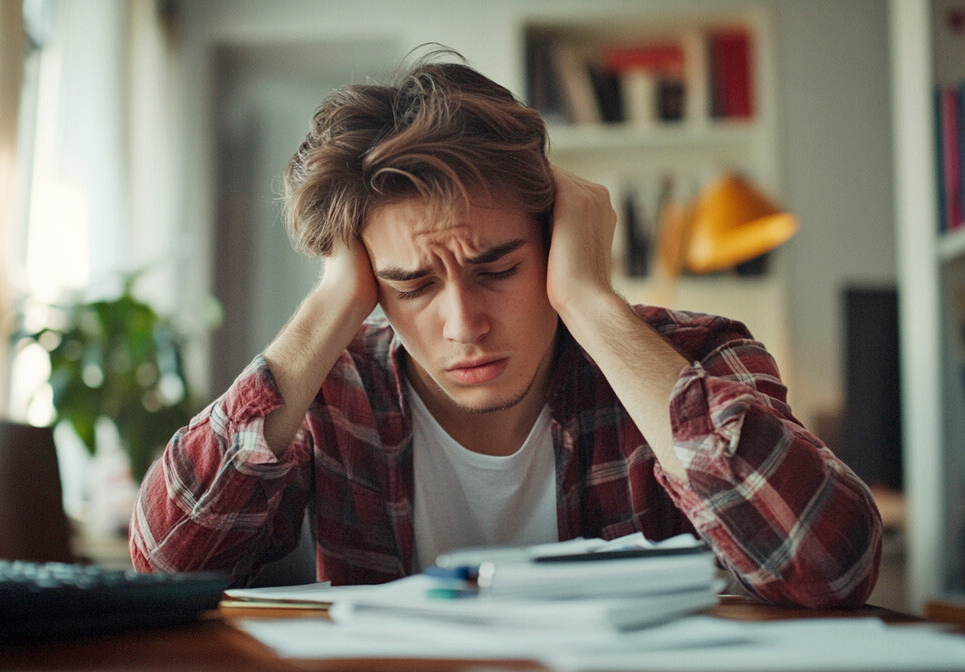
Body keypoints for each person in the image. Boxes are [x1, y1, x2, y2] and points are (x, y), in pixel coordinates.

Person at [129, 51, 881, 608]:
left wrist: (589, 300)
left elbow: (833, 568)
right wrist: (331, 301)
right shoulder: (333, 391)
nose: (464, 324)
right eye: (412, 283)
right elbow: (164, 572)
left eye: (497, 268)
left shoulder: (696, 357)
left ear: (555, 237)